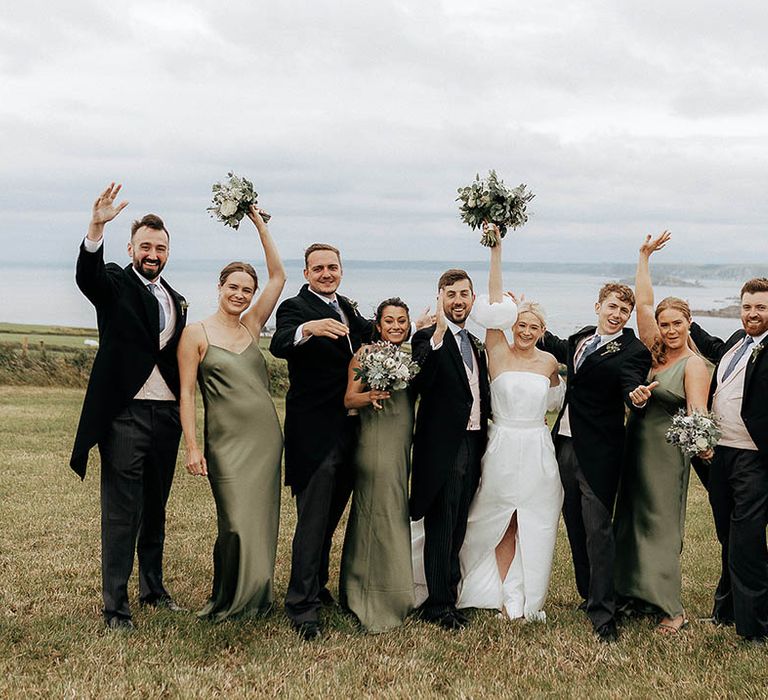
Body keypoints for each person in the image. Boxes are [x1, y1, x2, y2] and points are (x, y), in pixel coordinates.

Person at [70, 183, 188, 631]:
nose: (152, 253)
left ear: (168, 252)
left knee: (156, 506)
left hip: (167, 416)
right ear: (131, 248)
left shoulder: (174, 298)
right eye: (145, 246)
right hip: (126, 416)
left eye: (160, 247)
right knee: (123, 512)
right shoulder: (116, 281)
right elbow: (88, 278)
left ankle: (153, 590)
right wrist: (95, 227)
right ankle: (115, 607)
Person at [177, 206, 285, 622]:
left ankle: (257, 596)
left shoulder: (253, 325)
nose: (240, 295)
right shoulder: (196, 333)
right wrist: (192, 446)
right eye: (233, 287)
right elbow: (187, 393)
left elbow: (278, 277)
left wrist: (260, 224)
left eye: (246, 289)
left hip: (264, 439)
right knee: (235, 522)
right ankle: (230, 595)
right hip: (225, 443)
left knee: (260, 521)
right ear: (219, 287)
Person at [269, 243, 375, 641]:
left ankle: (317, 586)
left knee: (330, 519)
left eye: (332, 267)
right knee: (312, 522)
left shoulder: (345, 304)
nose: (326, 273)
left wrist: (417, 323)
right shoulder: (295, 309)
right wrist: (308, 329)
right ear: (306, 273)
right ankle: (301, 606)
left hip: (349, 429)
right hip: (314, 432)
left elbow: (370, 332)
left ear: (341, 271)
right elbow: (279, 344)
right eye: (319, 268)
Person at [457, 233, 564, 622]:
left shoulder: (550, 362)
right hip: (502, 444)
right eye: (521, 323)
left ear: (542, 330)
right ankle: (498, 590)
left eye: (534, 326)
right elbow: (494, 300)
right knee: (498, 517)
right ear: (512, 324)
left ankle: (523, 598)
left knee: (531, 521)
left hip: (537, 448)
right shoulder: (497, 351)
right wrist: (496, 251)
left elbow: (555, 399)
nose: (526, 330)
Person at [540, 281, 651, 642]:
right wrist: (525, 319)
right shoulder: (583, 337)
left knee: (598, 531)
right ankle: (588, 594)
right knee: (573, 524)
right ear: (598, 306)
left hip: (600, 451)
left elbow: (631, 384)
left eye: (624, 310)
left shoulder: (632, 350)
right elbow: (558, 349)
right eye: (612, 307)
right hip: (565, 444)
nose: (617, 314)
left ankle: (605, 614)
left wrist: (636, 397)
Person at [613, 231, 711, 635]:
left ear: (689, 323)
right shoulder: (654, 349)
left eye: (677, 324)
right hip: (635, 443)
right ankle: (636, 595)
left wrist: (701, 449)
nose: (669, 330)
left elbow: (698, 416)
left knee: (661, 525)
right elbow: (645, 304)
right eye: (665, 324)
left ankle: (672, 610)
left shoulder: (694, 365)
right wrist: (643, 258)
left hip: (667, 455)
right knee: (631, 519)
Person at [410, 269, 491, 631]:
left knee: (459, 523)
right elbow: (420, 379)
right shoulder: (427, 338)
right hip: (445, 447)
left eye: (464, 294)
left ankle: (450, 595)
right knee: (442, 525)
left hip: (475, 442)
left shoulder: (475, 342)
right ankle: (438, 605)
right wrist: (437, 336)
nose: (458, 300)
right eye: (451, 294)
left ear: (473, 299)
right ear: (440, 297)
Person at [689, 277, 768, 644]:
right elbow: (712, 348)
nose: (753, 314)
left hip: (754, 458)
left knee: (747, 542)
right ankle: (726, 611)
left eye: (761, 307)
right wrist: (685, 322)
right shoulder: (738, 341)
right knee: (727, 536)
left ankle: (756, 629)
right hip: (722, 454)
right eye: (748, 307)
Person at [340, 298, 416, 632]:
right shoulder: (365, 354)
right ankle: (367, 594)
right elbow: (348, 398)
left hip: (403, 444)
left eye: (402, 320)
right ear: (379, 324)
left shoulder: (413, 357)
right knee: (376, 512)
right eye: (390, 321)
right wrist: (369, 396)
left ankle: (398, 588)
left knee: (395, 511)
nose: (396, 326)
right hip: (375, 443)